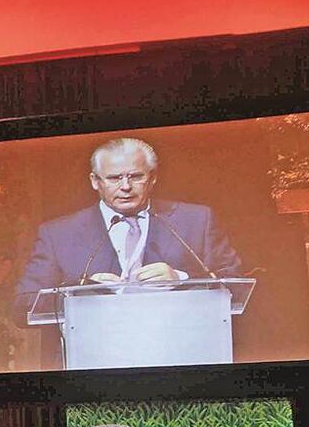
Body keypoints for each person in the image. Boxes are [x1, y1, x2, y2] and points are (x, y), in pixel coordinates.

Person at [14, 137, 242, 320]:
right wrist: (79, 293)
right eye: (114, 178)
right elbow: (23, 306)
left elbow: (236, 287)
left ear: (152, 178)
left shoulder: (196, 220)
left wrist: (182, 279)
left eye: (135, 177)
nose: (125, 187)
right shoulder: (58, 234)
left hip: (178, 353)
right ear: (95, 181)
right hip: (92, 361)